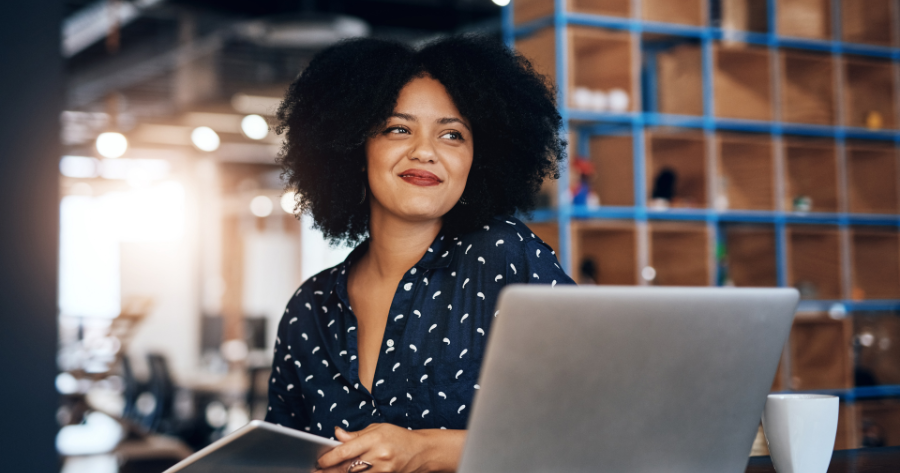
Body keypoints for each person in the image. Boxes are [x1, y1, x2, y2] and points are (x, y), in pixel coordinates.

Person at [266, 34, 574, 473]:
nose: (425, 151)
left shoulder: (505, 257)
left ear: (477, 160)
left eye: (452, 134)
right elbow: (277, 458)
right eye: (398, 129)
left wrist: (426, 450)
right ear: (355, 146)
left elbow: (586, 428)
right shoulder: (309, 309)